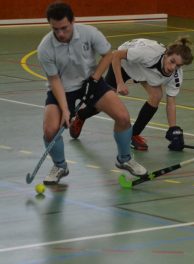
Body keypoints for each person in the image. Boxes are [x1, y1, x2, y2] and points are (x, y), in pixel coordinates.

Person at [37, 2, 146, 185]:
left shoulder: (90, 33)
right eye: (55, 29)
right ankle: (60, 166)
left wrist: (95, 78)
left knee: (123, 117)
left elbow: (108, 54)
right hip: (63, 89)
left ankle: (124, 159)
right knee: (50, 130)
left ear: (73, 21)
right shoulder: (45, 48)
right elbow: (54, 80)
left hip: (92, 83)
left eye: (64, 28)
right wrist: (65, 110)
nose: (60, 34)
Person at [69, 37, 194, 152]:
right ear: (166, 54)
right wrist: (120, 82)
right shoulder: (148, 53)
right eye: (172, 61)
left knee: (156, 96)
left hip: (143, 69)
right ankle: (81, 115)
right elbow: (115, 55)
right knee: (103, 102)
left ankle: (132, 135)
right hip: (124, 63)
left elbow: (171, 102)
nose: (173, 67)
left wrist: (173, 129)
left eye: (178, 65)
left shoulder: (176, 76)